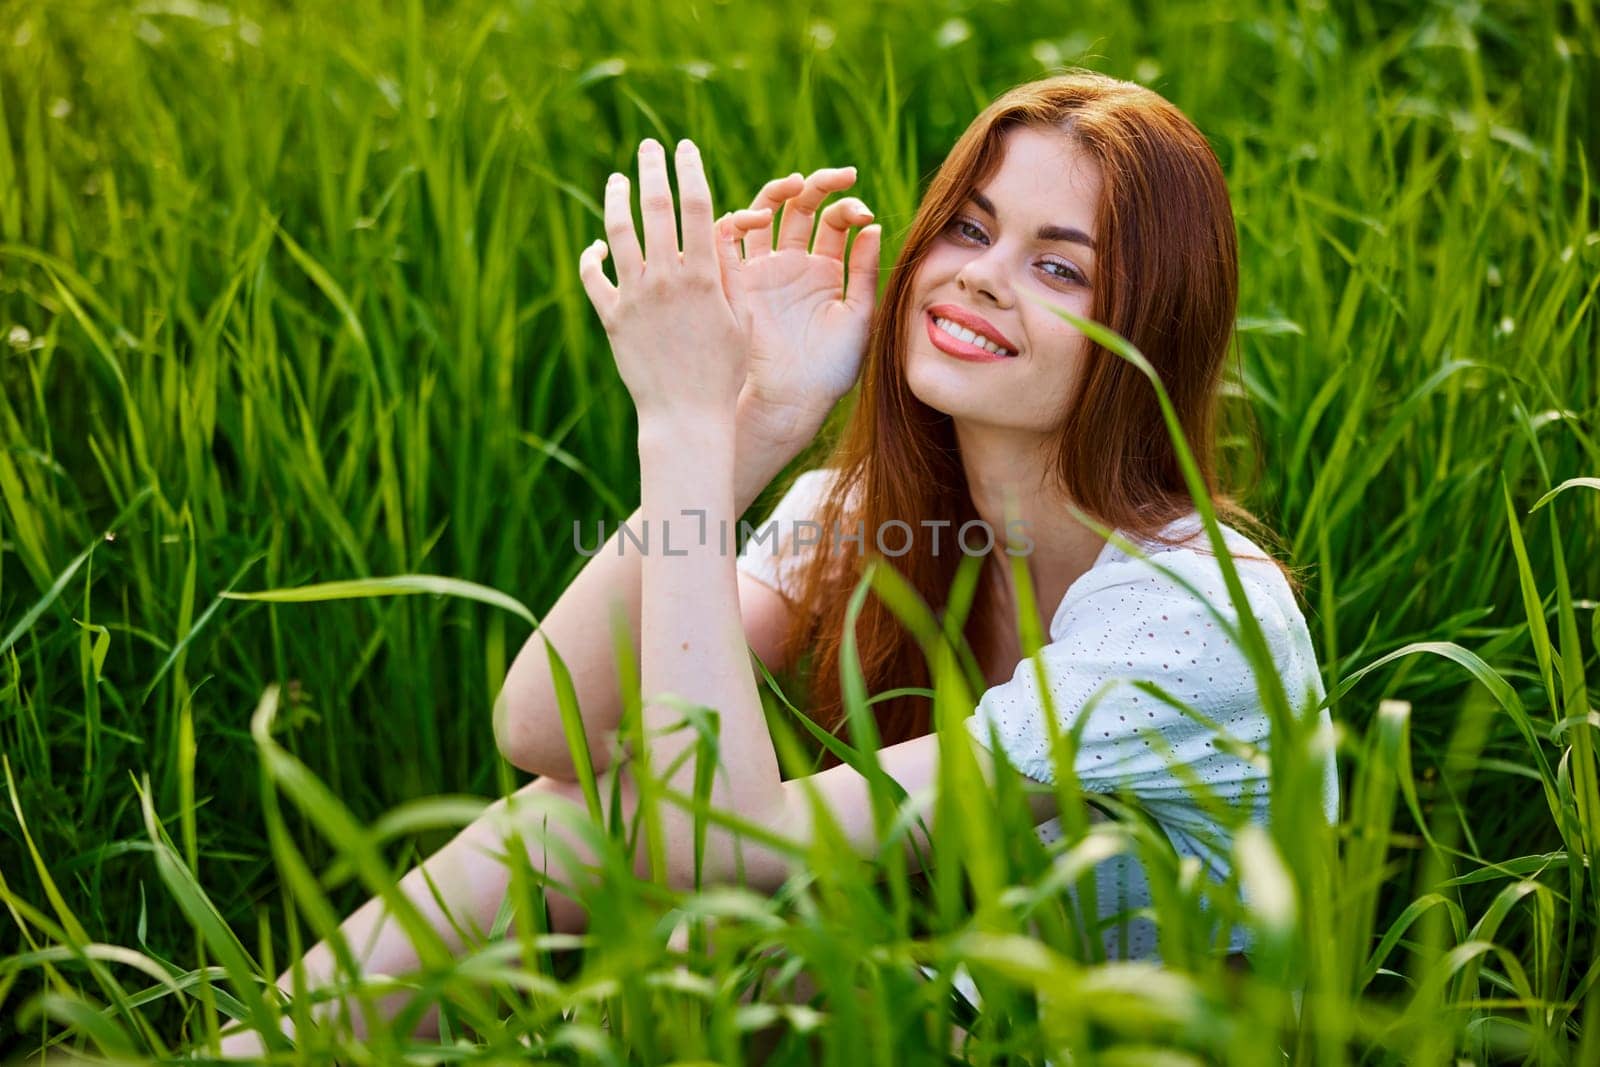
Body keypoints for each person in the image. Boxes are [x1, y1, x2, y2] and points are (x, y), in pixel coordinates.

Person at [218, 69, 1339, 1057]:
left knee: (758, 951)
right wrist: (758, 421)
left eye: (1060, 267)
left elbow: (722, 846)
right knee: (572, 823)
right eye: (967, 228)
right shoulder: (870, 513)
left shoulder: (1193, 620)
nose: (983, 277)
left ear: (1151, 334)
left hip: (1119, 1044)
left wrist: (684, 426)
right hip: (958, 998)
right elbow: (544, 729)